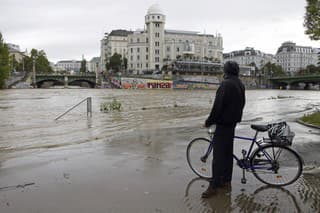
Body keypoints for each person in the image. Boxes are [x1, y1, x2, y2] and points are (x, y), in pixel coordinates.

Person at [202, 61, 245, 198]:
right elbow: (242, 103)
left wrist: (209, 122)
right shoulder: (240, 84)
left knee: (218, 157)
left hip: (223, 124)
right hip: (232, 123)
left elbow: (217, 107)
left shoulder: (225, 84)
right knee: (227, 155)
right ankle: (226, 180)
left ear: (225, 71)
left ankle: (214, 186)